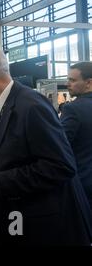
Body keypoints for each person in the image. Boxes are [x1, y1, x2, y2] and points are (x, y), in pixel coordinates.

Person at [0, 48, 92, 246]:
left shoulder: (31, 105)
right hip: (16, 214)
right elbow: (16, 155)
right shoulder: (5, 104)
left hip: (40, 221)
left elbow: (60, 166)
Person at [61, 62, 92, 211]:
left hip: (82, 184)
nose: (67, 84)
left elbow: (59, 145)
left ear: (89, 83)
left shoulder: (73, 109)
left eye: (72, 80)